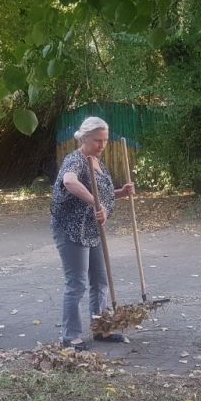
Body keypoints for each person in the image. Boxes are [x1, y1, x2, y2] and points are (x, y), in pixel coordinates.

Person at [50, 116, 135, 350]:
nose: (102, 145)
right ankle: (70, 336)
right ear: (84, 138)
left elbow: (102, 193)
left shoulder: (98, 161)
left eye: (105, 140)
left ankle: (101, 329)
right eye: (98, 140)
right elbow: (69, 182)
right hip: (70, 228)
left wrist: (120, 192)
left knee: (100, 280)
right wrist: (95, 203)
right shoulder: (75, 160)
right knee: (76, 282)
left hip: (91, 229)